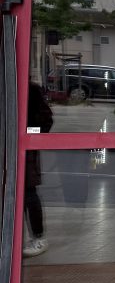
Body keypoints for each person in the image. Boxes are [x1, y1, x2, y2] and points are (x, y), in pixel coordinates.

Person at [23, 82, 54, 258]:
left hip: (24, 151)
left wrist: (28, 134)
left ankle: (38, 237)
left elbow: (46, 121)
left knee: (28, 194)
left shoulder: (30, 89)